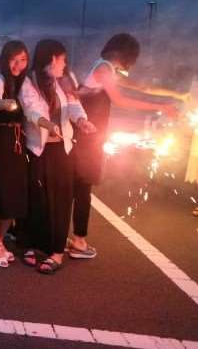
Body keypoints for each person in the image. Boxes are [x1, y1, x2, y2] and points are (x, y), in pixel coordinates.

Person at [71, 33, 181, 258]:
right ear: (125, 54)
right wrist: (160, 106)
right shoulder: (104, 68)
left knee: (79, 187)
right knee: (82, 187)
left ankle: (72, 238)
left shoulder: (106, 68)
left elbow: (137, 87)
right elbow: (120, 99)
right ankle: (78, 241)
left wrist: (169, 96)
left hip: (88, 133)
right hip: (87, 135)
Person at [18, 39, 96, 274]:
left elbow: (74, 104)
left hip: (62, 150)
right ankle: (32, 244)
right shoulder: (29, 81)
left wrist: (81, 121)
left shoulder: (64, 79)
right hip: (37, 149)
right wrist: (47, 125)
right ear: (52, 59)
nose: (64, 64)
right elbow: (31, 110)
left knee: (61, 200)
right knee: (36, 199)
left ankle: (57, 252)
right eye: (62, 59)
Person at [0, 41, 30, 267]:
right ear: (4, 59)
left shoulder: (25, 82)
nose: (18, 65)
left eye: (22, 60)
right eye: (13, 59)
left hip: (17, 143)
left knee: (14, 194)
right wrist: (5, 103)